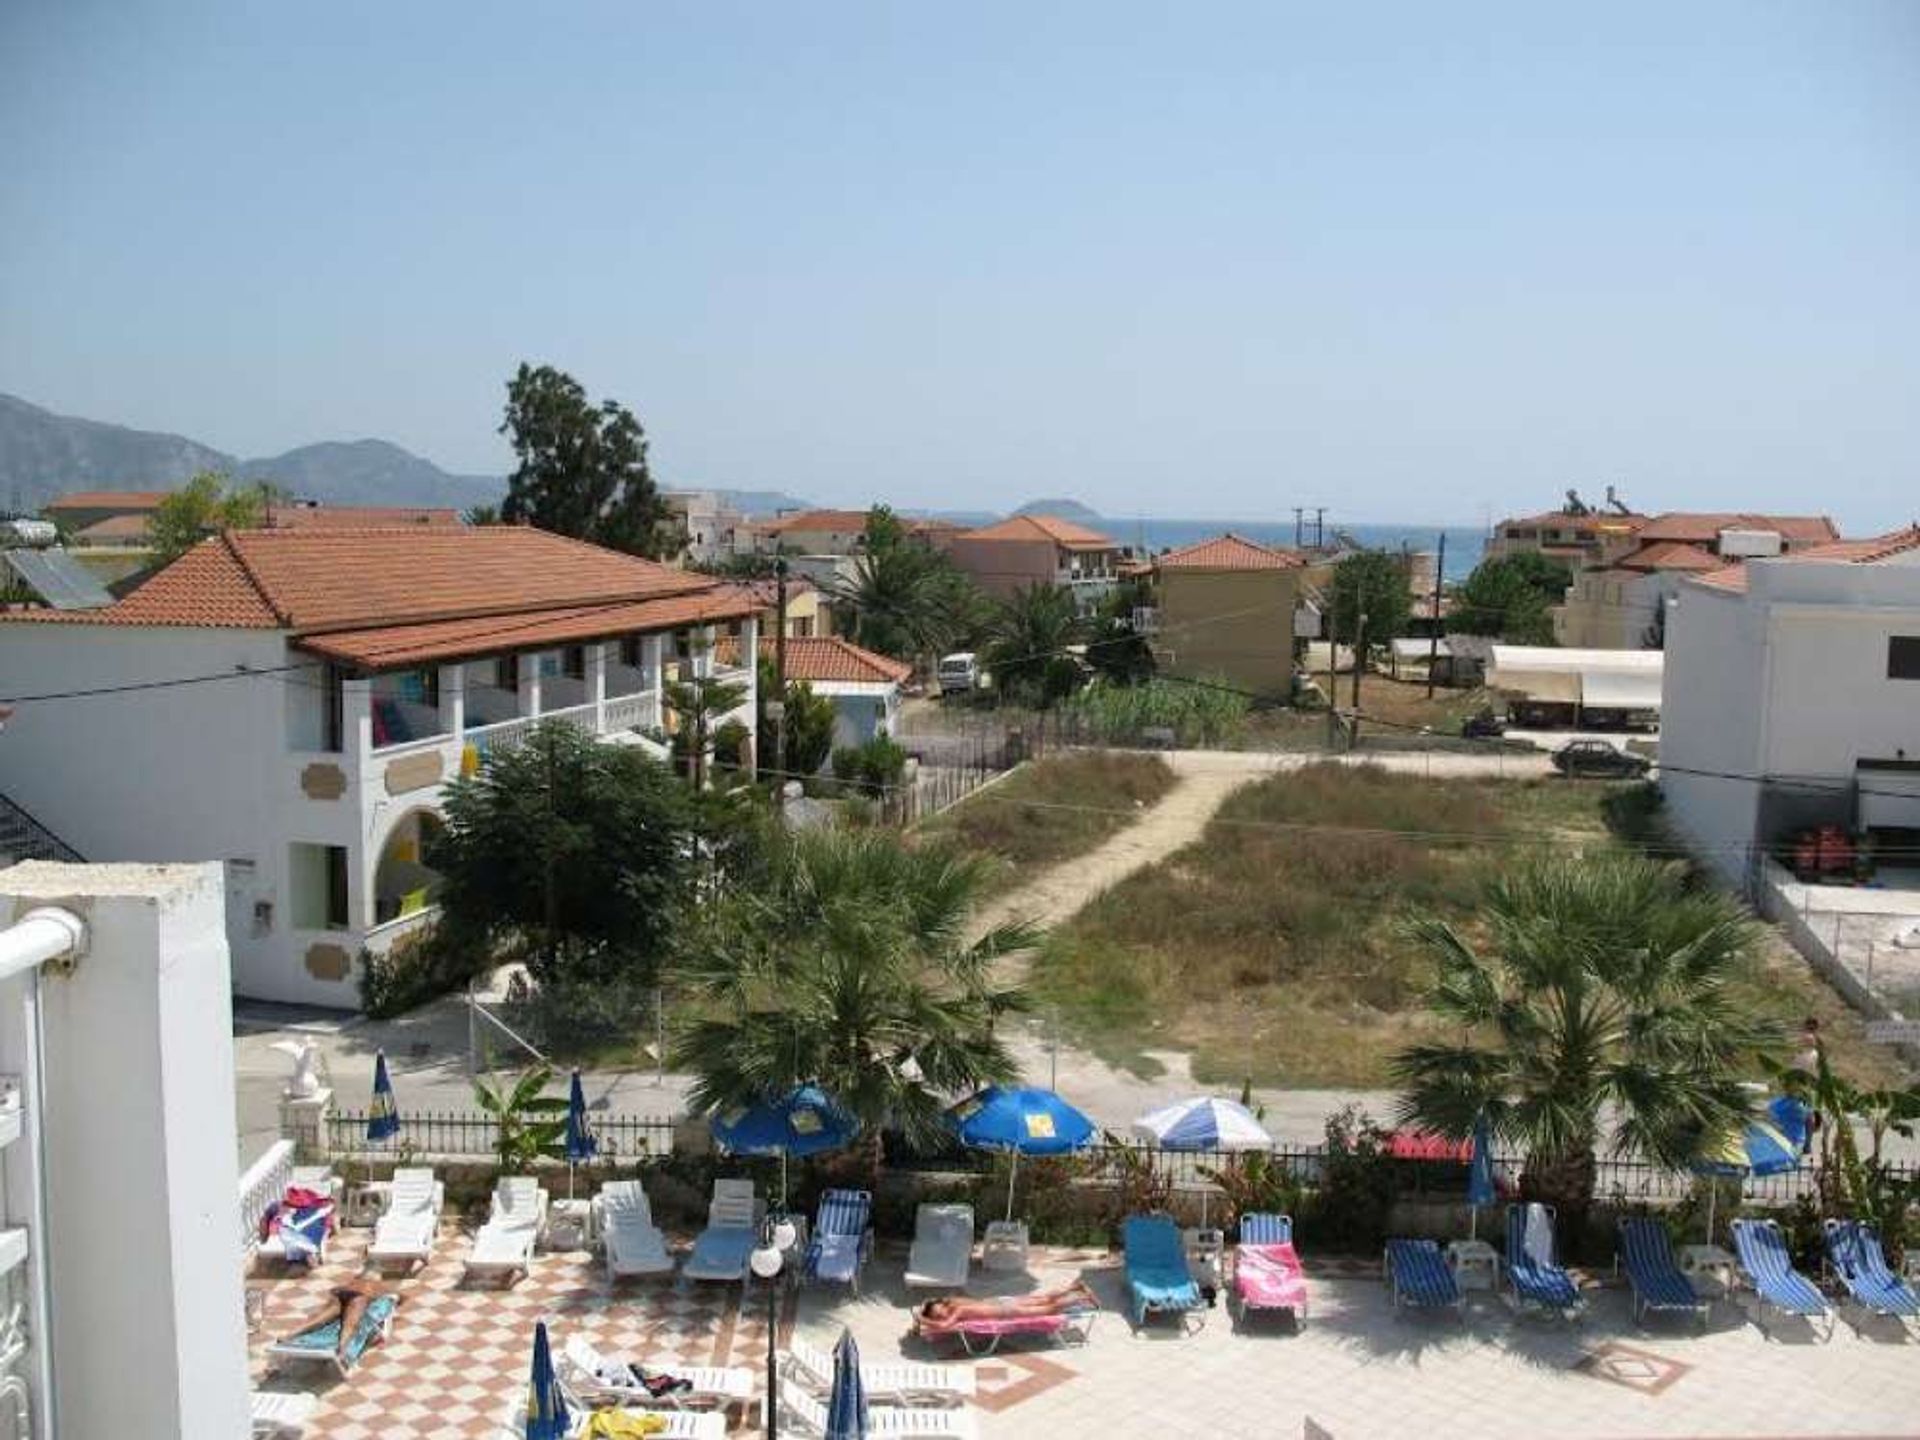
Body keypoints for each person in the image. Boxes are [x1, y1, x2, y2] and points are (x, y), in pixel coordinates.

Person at [280, 1277, 399, 1365]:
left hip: (341, 1291)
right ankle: (342, 1350)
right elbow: (387, 1303)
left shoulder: (359, 1281)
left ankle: (291, 1334)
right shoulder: (382, 1291)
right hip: (360, 1294)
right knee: (350, 1324)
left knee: (320, 1318)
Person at [917, 1280, 1098, 1326]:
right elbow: (931, 1304)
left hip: (1005, 1309)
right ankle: (1074, 1287)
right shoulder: (952, 1301)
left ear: (940, 1305)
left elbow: (944, 1325)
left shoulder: (957, 1310)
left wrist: (922, 1320)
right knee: (1044, 1299)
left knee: (1048, 1309)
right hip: (1000, 1301)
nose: (939, 1315)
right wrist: (925, 1314)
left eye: (937, 1311)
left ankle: (1082, 1297)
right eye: (936, 1315)